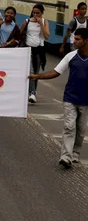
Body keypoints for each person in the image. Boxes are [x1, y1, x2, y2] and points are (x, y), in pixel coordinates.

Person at [29, 28, 88, 169]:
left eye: (78, 39)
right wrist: (36, 76)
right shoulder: (71, 56)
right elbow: (55, 72)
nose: (74, 42)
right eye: (74, 38)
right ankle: (65, 157)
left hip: (85, 101)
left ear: (86, 41)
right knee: (69, 126)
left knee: (80, 129)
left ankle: (75, 153)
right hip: (70, 98)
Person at [20, 4, 50, 104]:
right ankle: (31, 93)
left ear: (42, 13)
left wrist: (40, 24)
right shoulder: (27, 21)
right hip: (29, 49)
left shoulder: (45, 21)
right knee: (31, 70)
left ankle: (33, 92)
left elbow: (47, 36)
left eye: (38, 13)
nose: (35, 14)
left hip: (39, 49)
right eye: (34, 12)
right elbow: (20, 33)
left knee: (36, 72)